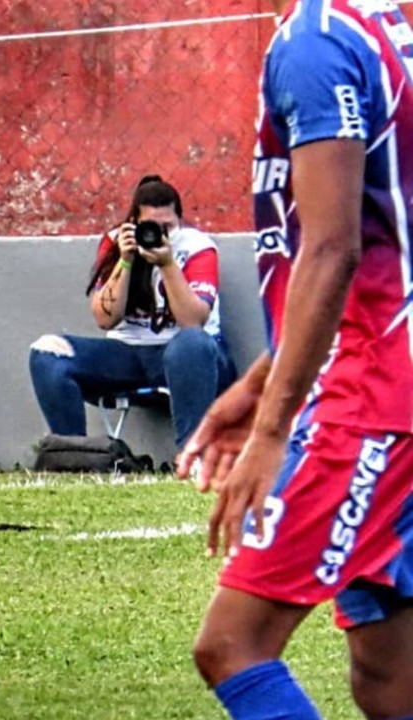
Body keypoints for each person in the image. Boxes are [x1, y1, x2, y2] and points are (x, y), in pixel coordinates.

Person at [177, 1, 413, 718]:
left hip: (374, 396)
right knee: (388, 668)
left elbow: (333, 246)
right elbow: (382, 242)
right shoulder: (387, 29)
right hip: (385, 370)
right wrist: (261, 380)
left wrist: (276, 427)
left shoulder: (317, 41)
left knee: (233, 646)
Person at [28, 175, 237, 449]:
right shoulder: (117, 244)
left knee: (191, 342)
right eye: (151, 227)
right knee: (47, 351)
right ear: (134, 224)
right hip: (128, 354)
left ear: (180, 222)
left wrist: (167, 264)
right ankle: (73, 455)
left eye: (168, 227)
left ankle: (190, 458)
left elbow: (192, 322)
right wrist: (125, 261)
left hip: (195, 358)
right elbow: (105, 319)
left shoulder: (197, 247)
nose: (160, 235)